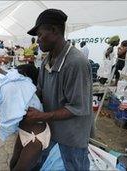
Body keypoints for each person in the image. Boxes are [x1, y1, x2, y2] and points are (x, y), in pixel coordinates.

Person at [26, 9, 93, 170]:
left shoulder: (76, 63)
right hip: (52, 132)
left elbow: (78, 107)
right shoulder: (46, 61)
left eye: (41, 35)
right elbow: (40, 91)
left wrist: (42, 115)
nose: (38, 41)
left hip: (71, 138)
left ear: (55, 31)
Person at [0, 56, 64, 171]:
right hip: (25, 131)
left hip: (35, 137)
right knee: (13, 164)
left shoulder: (9, 87)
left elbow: (9, 125)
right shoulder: (11, 75)